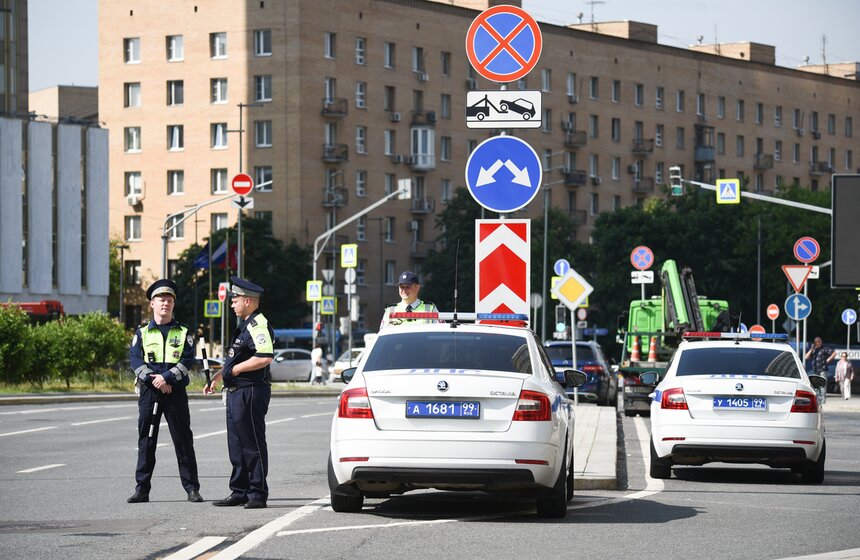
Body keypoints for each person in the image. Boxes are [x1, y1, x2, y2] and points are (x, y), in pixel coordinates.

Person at [127, 279, 202, 504]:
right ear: (152, 303)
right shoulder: (141, 333)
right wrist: (156, 381)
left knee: (183, 441)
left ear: (173, 304)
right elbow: (135, 361)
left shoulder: (184, 332)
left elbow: (188, 360)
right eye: (161, 300)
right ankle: (142, 489)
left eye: (169, 300)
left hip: (175, 392)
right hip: (150, 392)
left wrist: (167, 378)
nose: (165, 304)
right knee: (147, 441)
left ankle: (192, 489)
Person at [204, 277, 274, 509]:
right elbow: (235, 358)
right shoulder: (243, 326)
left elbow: (264, 357)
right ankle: (239, 490)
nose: (232, 303)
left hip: (250, 391)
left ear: (248, 301)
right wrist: (218, 377)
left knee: (251, 443)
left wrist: (235, 369)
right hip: (235, 391)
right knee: (236, 444)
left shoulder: (258, 325)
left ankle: (257, 493)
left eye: (235, 299)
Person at [804, 337, 835, 402]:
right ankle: (818, 399)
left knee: (822, 384)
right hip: (815, 370)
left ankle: (823, 399)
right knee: (816, 385)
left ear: (821, 342)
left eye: (819, 342)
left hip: (823, 369)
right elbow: (806, 357)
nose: (817, 343)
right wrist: (811, 349)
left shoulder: (824, 349)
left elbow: (834, 353)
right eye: (816, 342)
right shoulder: (814, 350)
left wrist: (828, 359)